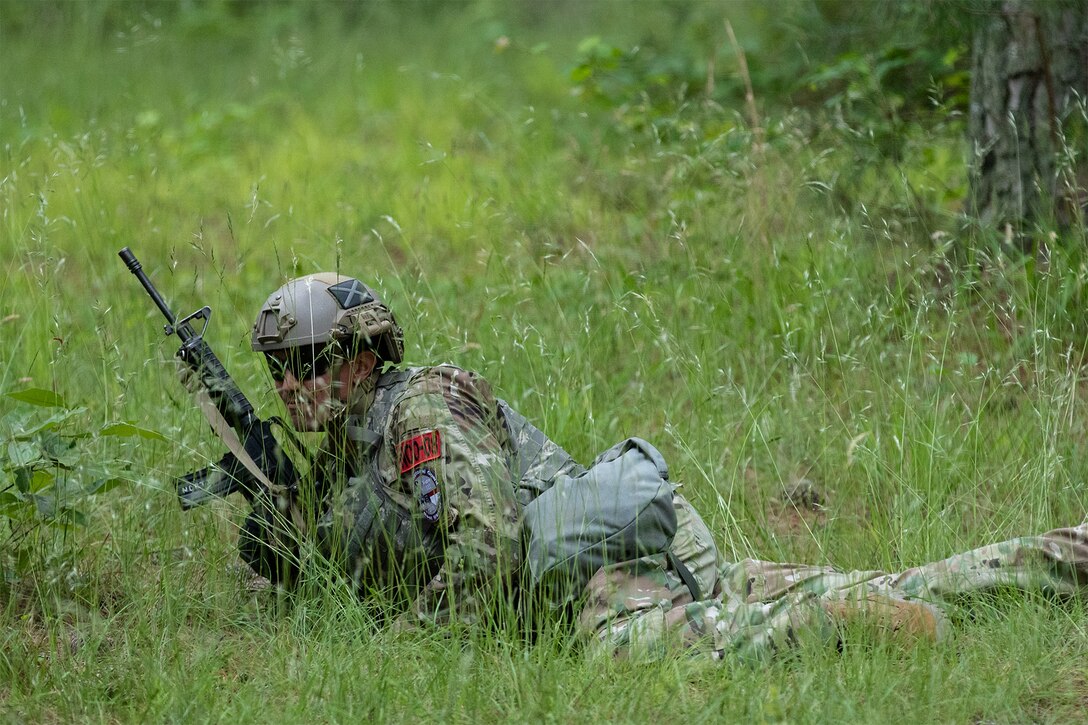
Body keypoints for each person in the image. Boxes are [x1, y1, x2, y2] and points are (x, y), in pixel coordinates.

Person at [233, 272, 1088, 661]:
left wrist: (412, 651)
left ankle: (839, 630)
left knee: (642, 655)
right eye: (282, 367)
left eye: (309, 361)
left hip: (603, 573)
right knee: (904, 576)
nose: (292, 383)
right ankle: (1068, 552)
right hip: (646, 546)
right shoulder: (363, 447)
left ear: (360, 358)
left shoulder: (418, 410)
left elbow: (488, 543)